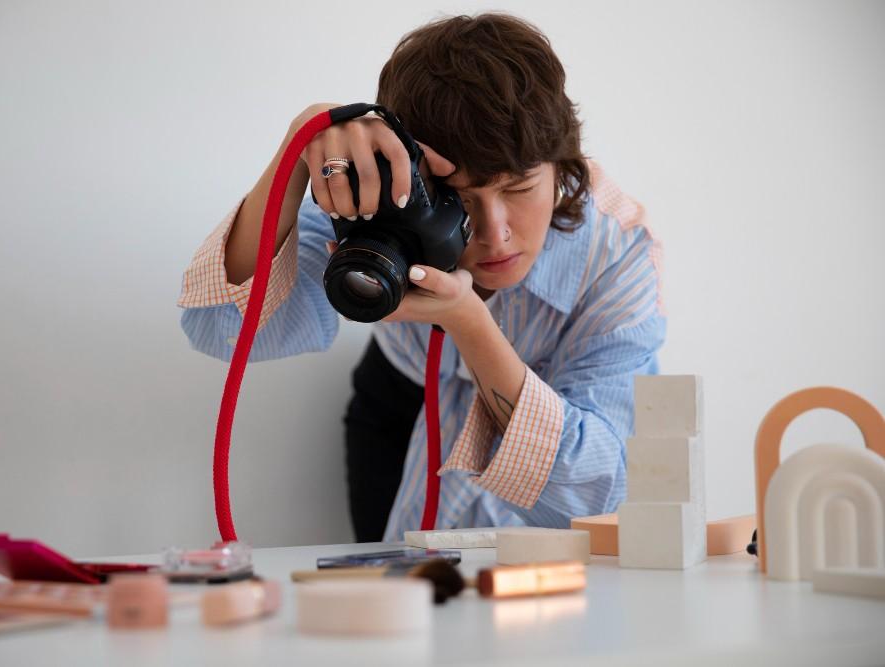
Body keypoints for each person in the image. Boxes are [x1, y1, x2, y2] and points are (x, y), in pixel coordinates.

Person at [178, 12, 666, 543]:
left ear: (560, 166)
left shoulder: (618, 254)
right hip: (400, 401)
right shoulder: (384, 191)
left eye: (520, 189)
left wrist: (470, 323)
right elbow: (219, 328)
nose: (495, 233)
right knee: (396, 601)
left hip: (552, 413)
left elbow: (599, 494)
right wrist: (300, 145)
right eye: (459, 200)